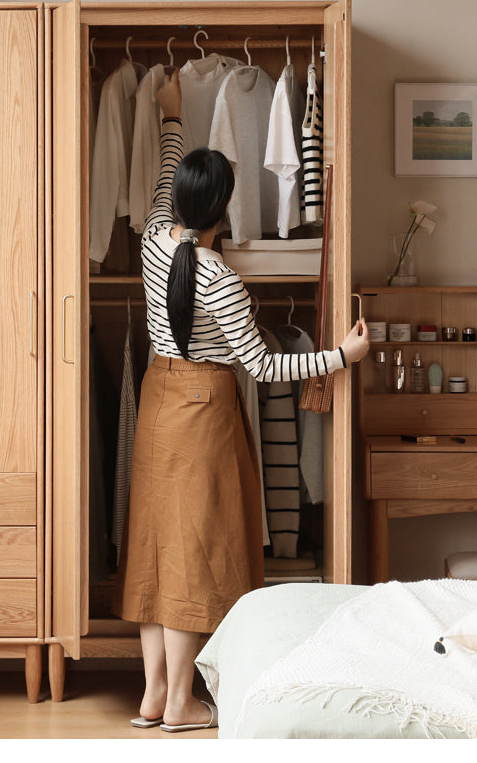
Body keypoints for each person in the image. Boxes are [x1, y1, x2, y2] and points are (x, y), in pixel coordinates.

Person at [112, 69, 370, 733]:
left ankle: (151, 695)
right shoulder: (220, 278)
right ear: (223, 210)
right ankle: (180, 704)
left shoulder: (150, 244)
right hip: (203, 411)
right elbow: (262, 364)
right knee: (196, 554)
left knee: (159, 547)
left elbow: (169, 184)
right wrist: (342, 356)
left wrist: (172, 121)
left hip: (159, 399)